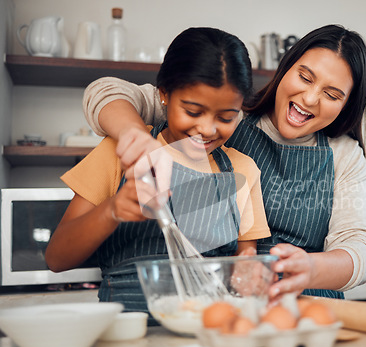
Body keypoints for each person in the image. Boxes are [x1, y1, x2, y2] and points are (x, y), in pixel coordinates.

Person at [81, 24, 366, 300]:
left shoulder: (344, 154)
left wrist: (310, 269)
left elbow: (360, 248)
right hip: (228, 306)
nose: (311, 98)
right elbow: (106, 91)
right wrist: (135, 137)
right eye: (305, 77)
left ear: (346, 104)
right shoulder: (225, 116)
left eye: (331, 94)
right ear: (285, 69)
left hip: (307, 306)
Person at [45, 27, 271, 318]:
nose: (207, 129)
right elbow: (57, 258)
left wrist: (248, 268)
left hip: (206, 335)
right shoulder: (121, 152)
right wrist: (111, 210)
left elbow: (245, 258)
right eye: (192, 111)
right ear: (164, 94)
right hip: (129, 331)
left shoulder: (243, 170)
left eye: (226, 117)